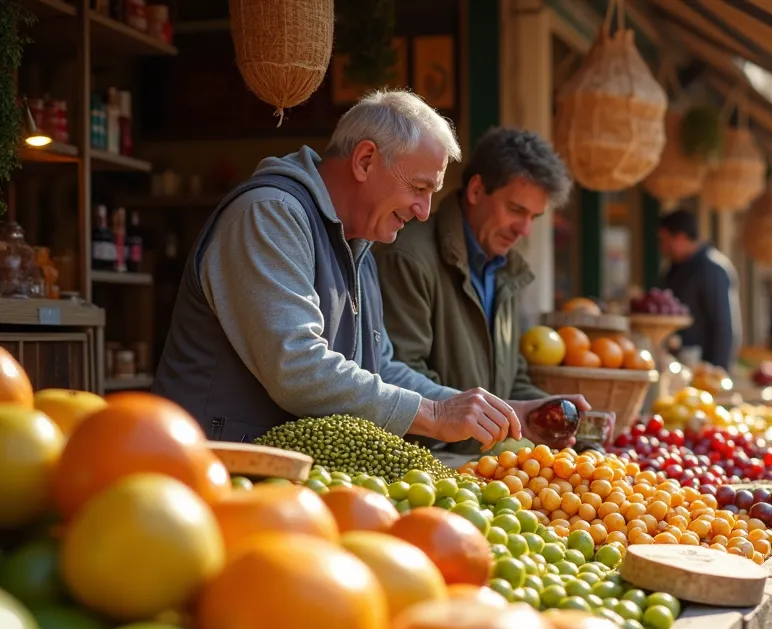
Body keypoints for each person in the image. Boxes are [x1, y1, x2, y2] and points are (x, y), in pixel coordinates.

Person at [153, 90, 521, 449]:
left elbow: (381, 372)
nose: (424, 211)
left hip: (275, 482)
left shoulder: (360, 244)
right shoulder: (269, 213)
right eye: (419, 188)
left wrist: (495, 414)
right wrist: (436, 415)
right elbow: (296, 367)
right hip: (206, 472)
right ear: (364, 160)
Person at [374, 127, 589, 453]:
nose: (525, 229)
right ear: (475, 190)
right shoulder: (408, 257)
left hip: (478, 464)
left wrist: (553, 414)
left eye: (534, 216)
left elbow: (510, 380)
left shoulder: (506, 269)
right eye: (516, 210)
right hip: (423, 466)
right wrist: (496, 421)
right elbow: (398, 382)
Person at [656, 209, 741, 369]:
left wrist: (718, 371)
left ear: (680, 237)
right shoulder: (673, 269)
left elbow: (722, 325)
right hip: (675, 364)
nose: (662, 247)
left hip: (702, 366)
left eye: (664, 240)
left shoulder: (712, 269)